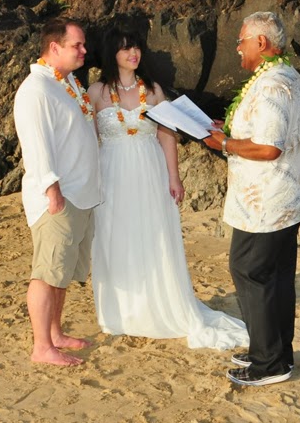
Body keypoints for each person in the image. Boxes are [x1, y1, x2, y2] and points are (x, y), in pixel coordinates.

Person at [89, 29, 248, 350]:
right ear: (112, 55)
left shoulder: (154, 90)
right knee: (115, 236)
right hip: (111, 172)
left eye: (135, 46)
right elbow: (90, 139)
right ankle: (121, 310)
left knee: (152, 235)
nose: (133, 53)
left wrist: (174, 178)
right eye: (124, 49)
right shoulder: (96, 92)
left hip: (149, 171)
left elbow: (166, 135)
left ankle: (158, 304)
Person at [205, 11, 300, 387]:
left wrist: (222, 143)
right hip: (286, 198)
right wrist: (230, 129)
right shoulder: (285, 76)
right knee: (277, 276)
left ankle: (269, 363)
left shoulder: (271, 85)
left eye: (241, 41)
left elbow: (270, 147)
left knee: (249, 270)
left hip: (267, 201)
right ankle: (273, 351)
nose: (237, 49)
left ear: (261, 43)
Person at [13, 17, 102, 366]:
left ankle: (55, 333)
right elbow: (36, 146)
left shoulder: (68, 84)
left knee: (61, 273)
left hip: (79, 193)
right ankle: (41, 346)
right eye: (76, 45)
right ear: (54, 48)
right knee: (46, 273)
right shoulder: (35, 90)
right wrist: (52, 192)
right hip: (57, 198)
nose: (84, 50)